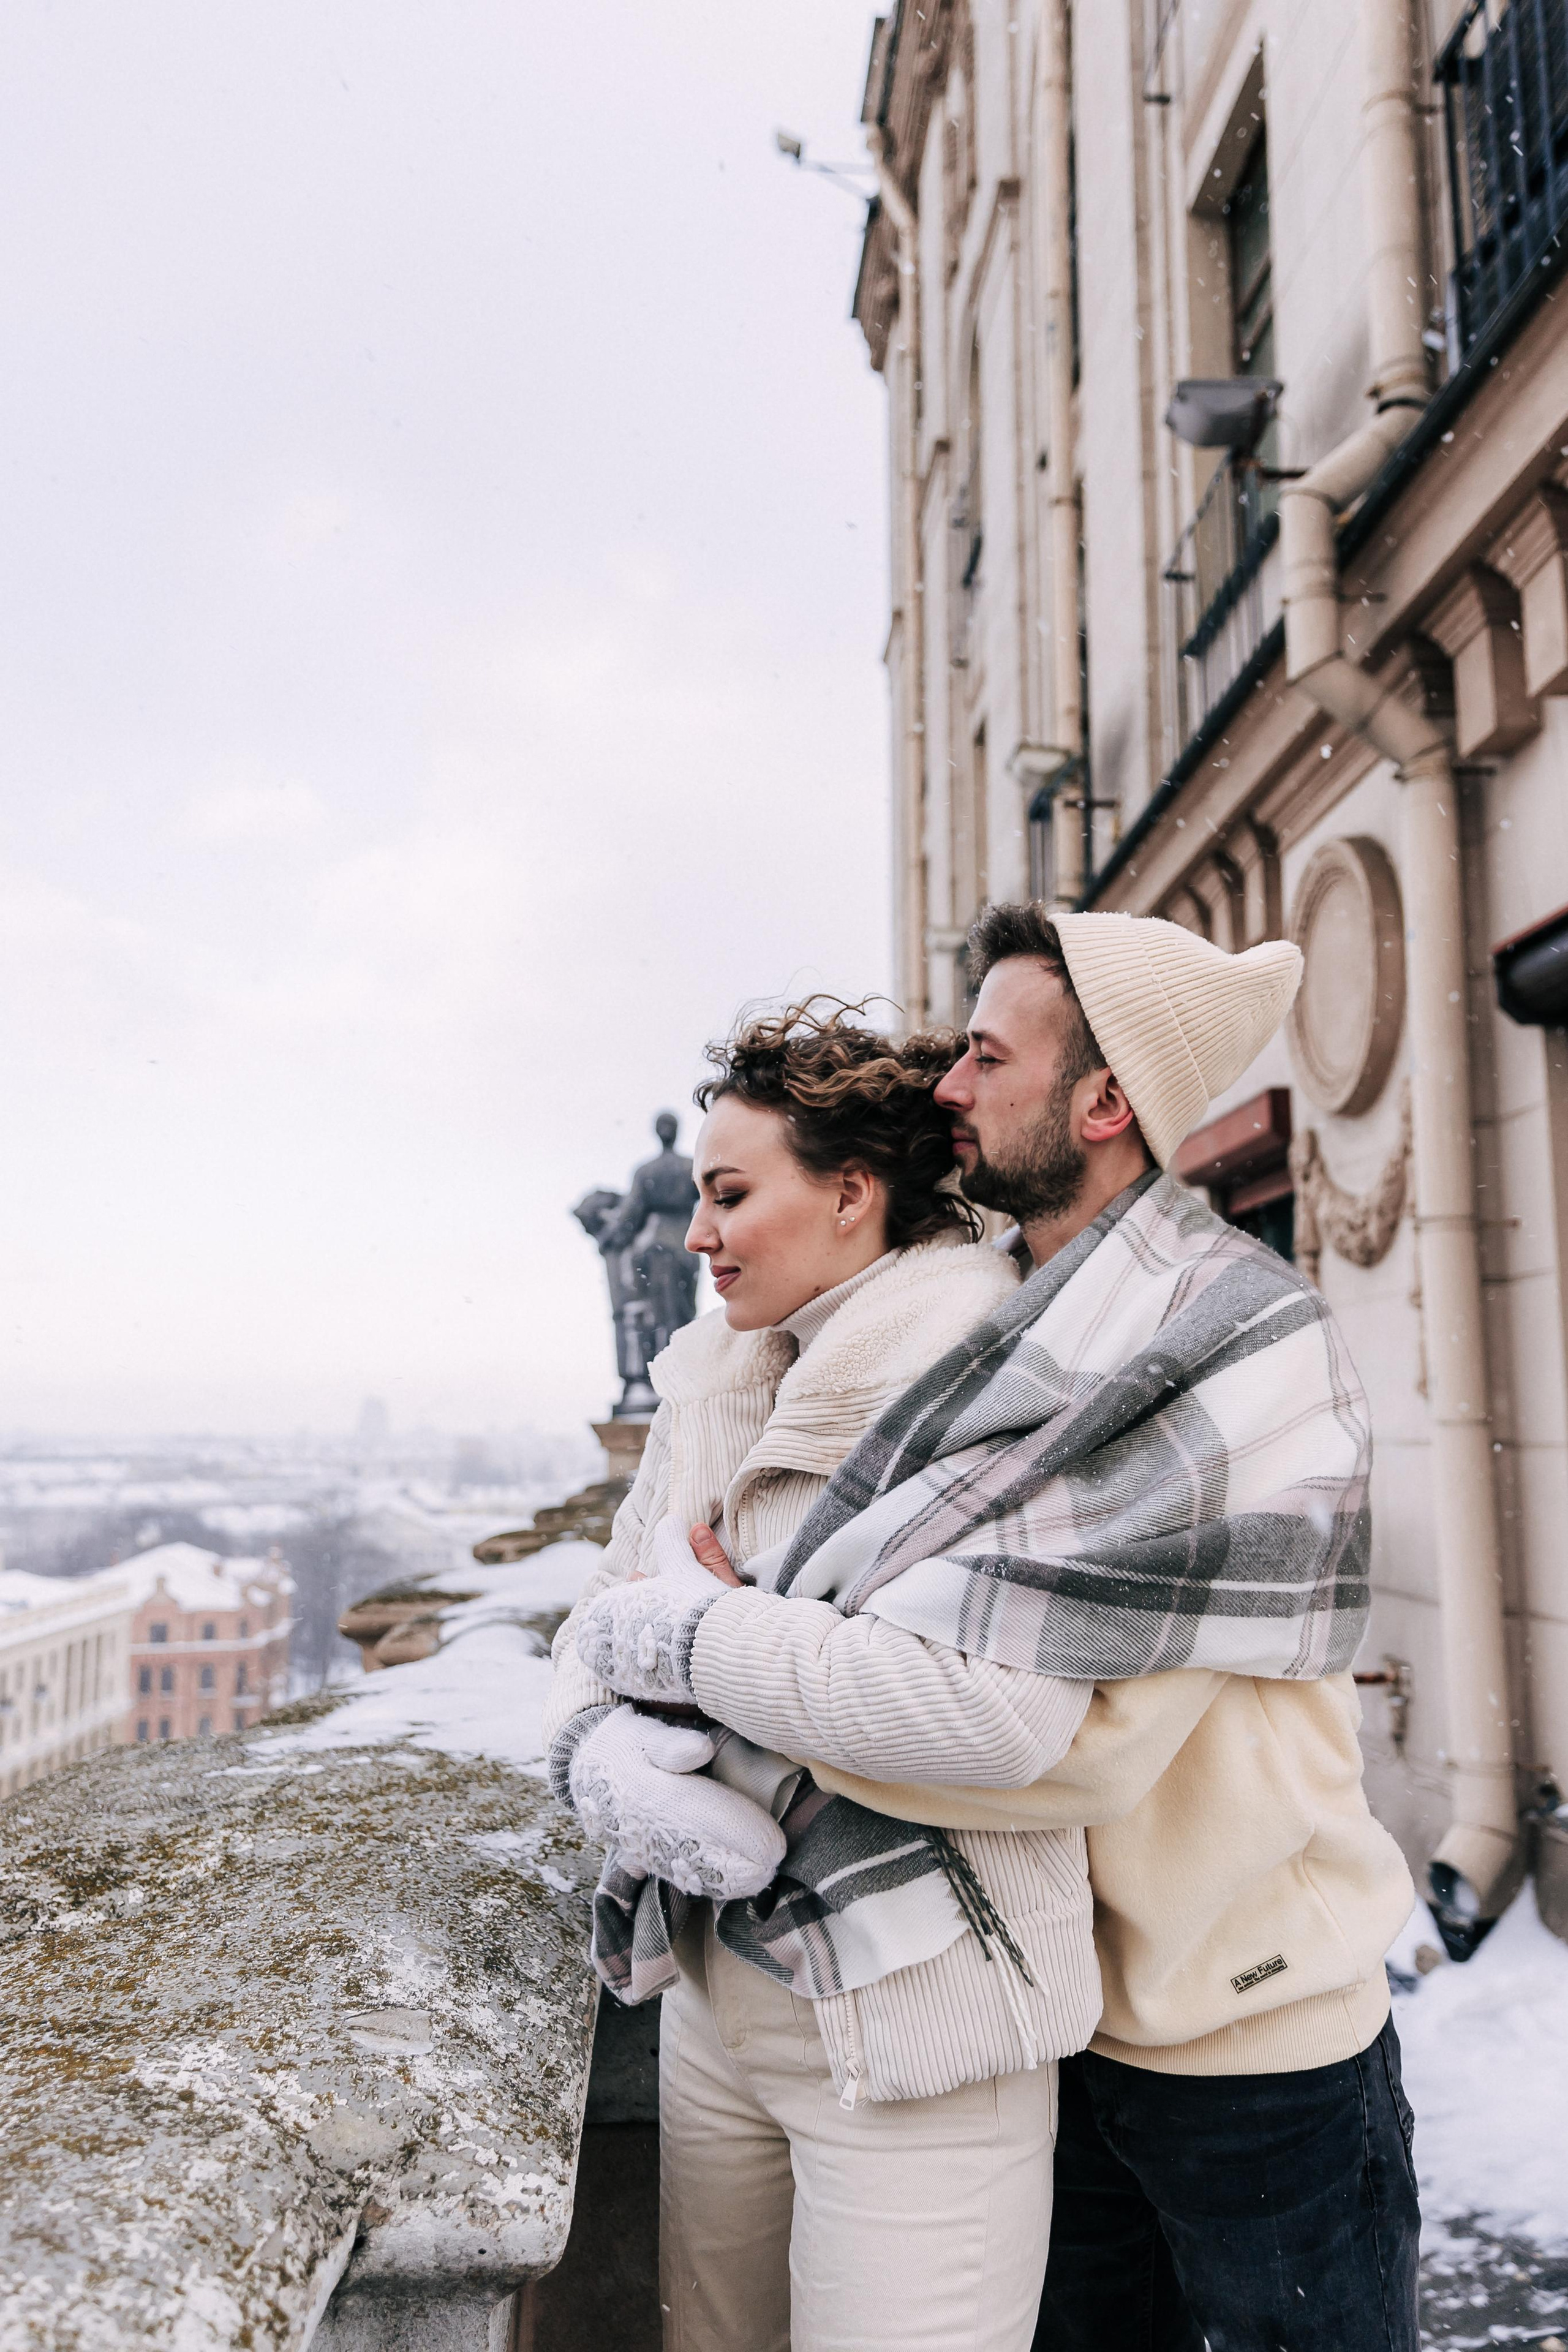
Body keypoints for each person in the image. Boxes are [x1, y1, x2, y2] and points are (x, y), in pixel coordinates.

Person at [566, 906, 1421, 2352]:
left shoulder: (1226, 1340)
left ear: (1100, 1101)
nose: (945, 1086)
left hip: (1248, 2037)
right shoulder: (1013, 1316)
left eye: (984, 1053)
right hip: (1068, 2025)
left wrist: (707, 1652)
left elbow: (1052, 1750)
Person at [545, 1001, 1103, 2352]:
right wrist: (595, 1753)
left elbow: (993, 1707)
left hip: (919, 2015)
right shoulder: (717, 1381)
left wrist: (691, 1647)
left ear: (852, 1193)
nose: (691, 1237)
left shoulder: (991, 1380)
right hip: (713, 1991)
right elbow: (588, 1623)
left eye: (730, 1195)